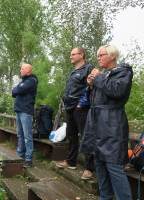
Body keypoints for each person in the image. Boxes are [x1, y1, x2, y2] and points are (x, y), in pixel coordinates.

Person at [80, 45, 133, 199]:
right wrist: (91, 86)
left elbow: (117, 91)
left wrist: (98, 78)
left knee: (113, 163)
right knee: (100, 162)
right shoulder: (103, 74)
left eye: (101, 55)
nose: (98, 58)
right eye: (97, 56)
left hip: (112, 122)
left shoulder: (123, 71)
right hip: (96, 119)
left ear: (112, 56)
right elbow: (94, 100)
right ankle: (105, 197)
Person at [56, 47, 95, 180]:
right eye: (70, 54)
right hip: (70, 107)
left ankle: (88, 168)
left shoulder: (89, 69)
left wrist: (81, 104)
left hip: (81, 108)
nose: (71, 57)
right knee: (71, 135)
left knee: (86, 136)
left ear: (81, 55)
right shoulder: (73, 72)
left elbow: (90, 88)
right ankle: (71, 161)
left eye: (73, 54)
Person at [12, 63, 38, 169]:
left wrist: (18, 88)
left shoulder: (32, 81)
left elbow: (18, 90)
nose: (20, 70)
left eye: (22, 69)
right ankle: (20, 155)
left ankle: (28, 159)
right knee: (20, 135)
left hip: (26, 111)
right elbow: (14, 92)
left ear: (28, 70)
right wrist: (18, 88)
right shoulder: (23, 81)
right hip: (19, 110)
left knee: (27, 136)